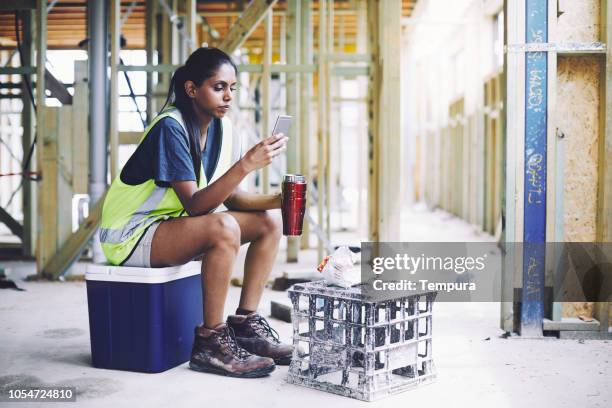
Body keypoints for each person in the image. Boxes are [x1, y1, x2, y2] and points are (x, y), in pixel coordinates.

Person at [99, 47, 292, 378]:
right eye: (218, 87)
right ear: (191, 89)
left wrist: (282, 200)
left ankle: (245, 325)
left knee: (267, 222)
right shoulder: (170, 127)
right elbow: (196, 205)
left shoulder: (222, 128)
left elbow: (230, 197)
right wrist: (246, 164)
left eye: (232, 88)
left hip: (168, 228)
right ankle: (211, 342)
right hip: (129, 234)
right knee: (223, 228)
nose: (228, 96)